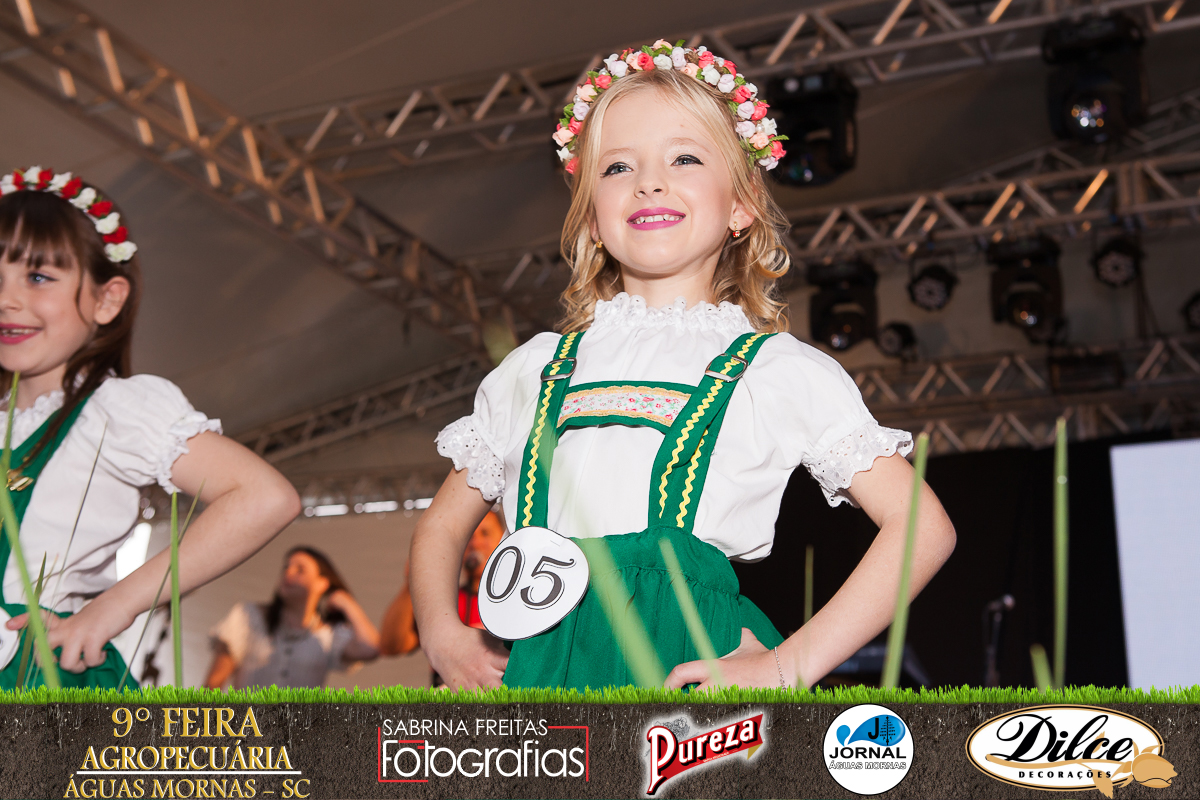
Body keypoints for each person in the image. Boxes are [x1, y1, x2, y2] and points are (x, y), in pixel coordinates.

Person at [410, 42, 956, 692]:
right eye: (616, 167)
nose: (649, 181)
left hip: (683, 671)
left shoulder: (775, 371)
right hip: (537, 666)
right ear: (590, 214)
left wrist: (790, 664)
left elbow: (922, 527)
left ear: (741, 205)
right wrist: (443, 635)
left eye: (685, 158)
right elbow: (444, 524)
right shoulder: (536, 369)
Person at [0, 166, 300, 689]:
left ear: (106, 299)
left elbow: (263, 497)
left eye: (39, 277)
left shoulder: (113, 410)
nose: (7, 299)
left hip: (41, 677)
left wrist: (111, 608)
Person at [205, 547, 379, 689]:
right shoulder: (249, 617)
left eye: (300, 569)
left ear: (322, 583)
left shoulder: (328, 635)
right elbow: (214, 682)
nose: (289, 572)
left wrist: (346, 603)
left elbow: (371, 648)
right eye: (286, 567)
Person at [380, 511, 503, 684]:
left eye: (485, 533)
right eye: (469, 535)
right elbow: (392, 646)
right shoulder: (444, 602)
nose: (475, 543)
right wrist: (411, 583)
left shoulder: (517, 601)